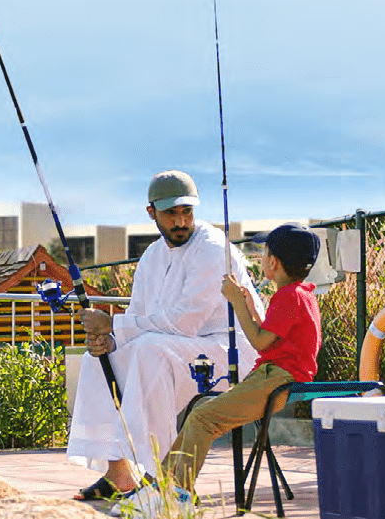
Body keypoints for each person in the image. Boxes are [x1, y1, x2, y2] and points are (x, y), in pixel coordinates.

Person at [68, 170, 263, 500]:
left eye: (187, 211)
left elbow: (185, 322)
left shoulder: (212, 248)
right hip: (181, 348)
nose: (181, 221)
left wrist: (112, 325)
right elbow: (140, 316)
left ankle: (162, 476)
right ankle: (118, 473)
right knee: (98, 360)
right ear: (151, 213)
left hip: (231, 351)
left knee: (150, 352)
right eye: (171, 213)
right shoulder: (151, 256)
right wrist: (109, 342)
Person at [160, 222, 322, 493]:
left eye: (264, 253)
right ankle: (161, 485)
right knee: (199, 414)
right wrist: (250, 308)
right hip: (275, 376)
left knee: (202, 418)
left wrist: (236, 302)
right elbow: (271, 340)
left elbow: (258, 341)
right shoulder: (301, 295)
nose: (261, 258)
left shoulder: (288, 297)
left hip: (276, 379)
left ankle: (177, 493)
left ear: (273, 261)